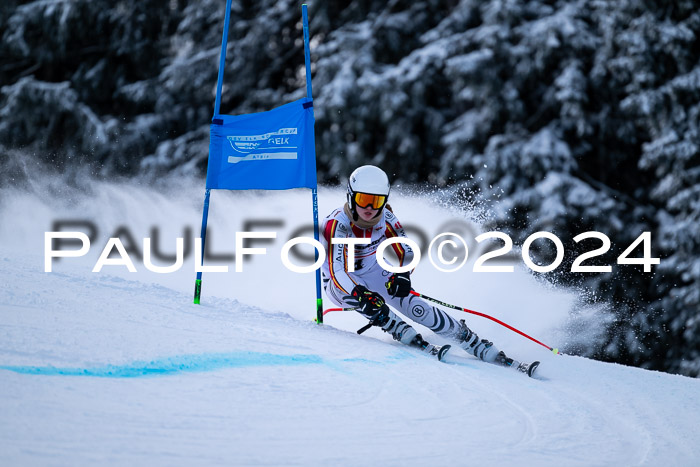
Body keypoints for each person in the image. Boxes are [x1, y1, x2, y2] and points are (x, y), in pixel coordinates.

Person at [321, 165, 524, 369]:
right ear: (351, 196)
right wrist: (360, 293)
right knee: (369, 302)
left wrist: (402, 275)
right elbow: (337, 270)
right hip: (340, 282)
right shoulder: (337, 224)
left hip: (373, 270)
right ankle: (394, 325)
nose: (370, 208)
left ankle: (469, 340)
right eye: (363, 200)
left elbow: (407, 251)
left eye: (377, 201)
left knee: (416, 307)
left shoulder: (386, 218)